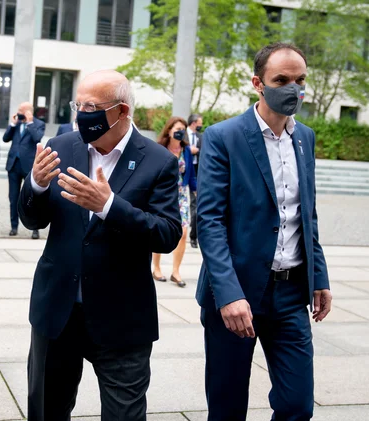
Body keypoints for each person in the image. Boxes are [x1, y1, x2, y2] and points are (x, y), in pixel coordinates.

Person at [19, 70, 182, 421]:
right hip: (58, 311)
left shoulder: (159, 161)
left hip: (121, 317)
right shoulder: (60, 147)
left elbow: (168, 233)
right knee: (46, 410)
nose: (82, 113)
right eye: (78, 104)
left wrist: (109, 206)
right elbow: (33, 220)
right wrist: (35, 184)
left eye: (92, 106)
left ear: (122, 111)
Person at [196, 42, 332, 421]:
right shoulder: (223, 136)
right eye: (282, 79)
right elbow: (208, 221)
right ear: (258, 83)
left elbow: (308, 216)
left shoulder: (304, 137)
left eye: (300, 79)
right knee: (227, 408)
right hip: (236, 293)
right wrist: (228, 294)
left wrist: (318, 277)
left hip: (290, 293)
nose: (293, 88)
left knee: (296, 405)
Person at [151, 117, 196, 288]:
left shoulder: (185, 150)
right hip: (163, 194)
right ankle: (156, 267)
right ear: (169, 130)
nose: (180, 131)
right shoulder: (159, 149)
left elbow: (190, 176)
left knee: (183, 233)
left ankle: (176, 271)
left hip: (181, 195)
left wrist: (196, 191)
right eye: (177, 128)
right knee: (159, 229)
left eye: (183, 129)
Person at [4, 102, 46, 239]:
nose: (19, 112)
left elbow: (37, 138)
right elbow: (5, 138)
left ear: (29, 112)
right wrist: (12, 124)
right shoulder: (16, 124)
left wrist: (29, 123)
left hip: (29, 165)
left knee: (33, 198)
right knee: (13, 197)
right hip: (14, 165)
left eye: (21, 110)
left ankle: (35, 228)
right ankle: (13, 226)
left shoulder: (38, 124)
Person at [186, 113, 202, 248]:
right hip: (181, 171)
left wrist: (196, 151)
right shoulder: (181, 134)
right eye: (199, 123)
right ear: (193, 123)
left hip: (195, 171)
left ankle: (193, 234)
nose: (201, 125)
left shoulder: (200, 137)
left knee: (195, 202)